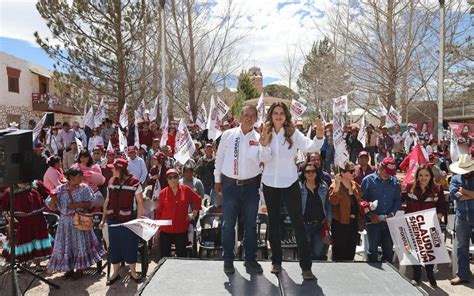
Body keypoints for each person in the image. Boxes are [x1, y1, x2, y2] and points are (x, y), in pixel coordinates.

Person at [259, 101, 324, 280]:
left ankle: (306, 267)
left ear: (286, 116)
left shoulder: (293, 133)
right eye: (275, 113)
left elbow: (311, 147)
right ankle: (276, 262)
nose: (278, 116)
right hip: (270, 184)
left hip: (290, 183)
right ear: (271, 116)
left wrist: (319, 135)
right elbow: (264, 158)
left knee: (298, 224)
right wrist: (264, 144)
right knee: (273, 224)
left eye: (281, 113)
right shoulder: (265, 132)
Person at [214, 105, 263, 274]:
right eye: (246, 114)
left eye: (252, 115)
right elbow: (219, 158)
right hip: (230, 186)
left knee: (250, 226)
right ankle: (228, 260)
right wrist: (216, 179)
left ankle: (250, 260)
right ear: (240, 117)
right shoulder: (228, 135)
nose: (249, 117)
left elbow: (265, 161)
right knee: (228, 225)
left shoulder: (259, 138)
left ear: (256, 118)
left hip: (251, 187)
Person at [46, 168, 105, 279]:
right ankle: (68, 269)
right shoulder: (59, 190)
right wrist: (54, 199)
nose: (81, 178)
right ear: (71, 177)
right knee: (66, 246)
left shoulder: (84, 188)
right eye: (79, 176)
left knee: (80, 245)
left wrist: (78, 205)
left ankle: (80, 269)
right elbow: (52, 206)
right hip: (65, 223)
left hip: (79, 221)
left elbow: (90, 203)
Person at [99, 158, 144, 285]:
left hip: (128, 221)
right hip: (112, 221)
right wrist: (103, 220)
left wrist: (139, 220)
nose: (111, 170)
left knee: (130, 246)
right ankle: (115, 272)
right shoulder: (111, 181)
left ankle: (133, 272)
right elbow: (107, 201)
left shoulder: (135, 183)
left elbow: (140, 202)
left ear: (119, 169)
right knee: (114, 247)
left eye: (113, 168)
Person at [402, 165, 447, 287]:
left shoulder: (437, 188)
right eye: (421, 175)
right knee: (414, 251)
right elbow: (401, 201)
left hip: (430, 225)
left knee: (429, 250)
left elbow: (442, 205)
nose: (423, 178)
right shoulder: (410, 187)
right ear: (417, 176)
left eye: (426, 175)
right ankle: (416, 275)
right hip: (412, 225)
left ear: (431, 176)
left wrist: (439, 215)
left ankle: (430, 274)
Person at [0, 180, 53, 270]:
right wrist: (8, 217)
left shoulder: (37, 185)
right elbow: (4, 207)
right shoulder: (9, 192)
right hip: (21, 223)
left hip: (38, 221)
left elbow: (49, 196)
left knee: (37, 241)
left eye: (26, 180)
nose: (24, 182)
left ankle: (38, 265)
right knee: (21, 243)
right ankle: (22, 265)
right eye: (21, 180)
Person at [361, 157, 401, 263]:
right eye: (386, 171)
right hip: (372, 221)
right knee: (372, 249)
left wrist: (392, 213)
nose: (387, 174)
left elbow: (397, 200)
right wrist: (370, 215)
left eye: (390, 173)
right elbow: (361, 201)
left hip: (389, 221)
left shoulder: (395, 182)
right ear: (380, 167)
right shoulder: (367, 180)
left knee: (388, 250)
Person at [156, 168, 201, 258]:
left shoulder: (186, 190)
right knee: (164, 256)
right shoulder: (162, 193)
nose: (172, 180)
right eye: (170, 178)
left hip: (181, 228)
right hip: (165, 230)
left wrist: (193, 214)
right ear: (167, 180)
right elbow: (158, 212)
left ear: (178, 178)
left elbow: (198, 199)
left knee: (181, 256)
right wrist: (157, 228)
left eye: (175, 177)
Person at [448, 154, 474, 285]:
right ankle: (462, 275)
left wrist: (464, 191)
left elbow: (460, 194)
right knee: (461, 247)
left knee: (462, 246)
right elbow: (455, 196)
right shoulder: (455, 179)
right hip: (462, 217)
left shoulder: (457, 181)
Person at [328, 161, 362, 261]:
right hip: (340, 224)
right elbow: (333, 201)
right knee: (339, 252)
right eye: (351, 171)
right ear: (342, 173)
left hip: (353, 223)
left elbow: (360, 199)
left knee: (351, 250)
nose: (354, 173)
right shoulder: (335, 185)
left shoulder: (355, 185)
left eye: (354, 170)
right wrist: (337, 185)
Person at [300, 161, 331, 260]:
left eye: (313, 171)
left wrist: (329, 219)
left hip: (320, 225)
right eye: (307, 171)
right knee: (306, 254)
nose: (310, 173)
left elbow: (328, 204)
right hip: (304, 225)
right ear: (303, 173)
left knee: (318, 254)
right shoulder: (299, 188)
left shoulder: (323, 186)